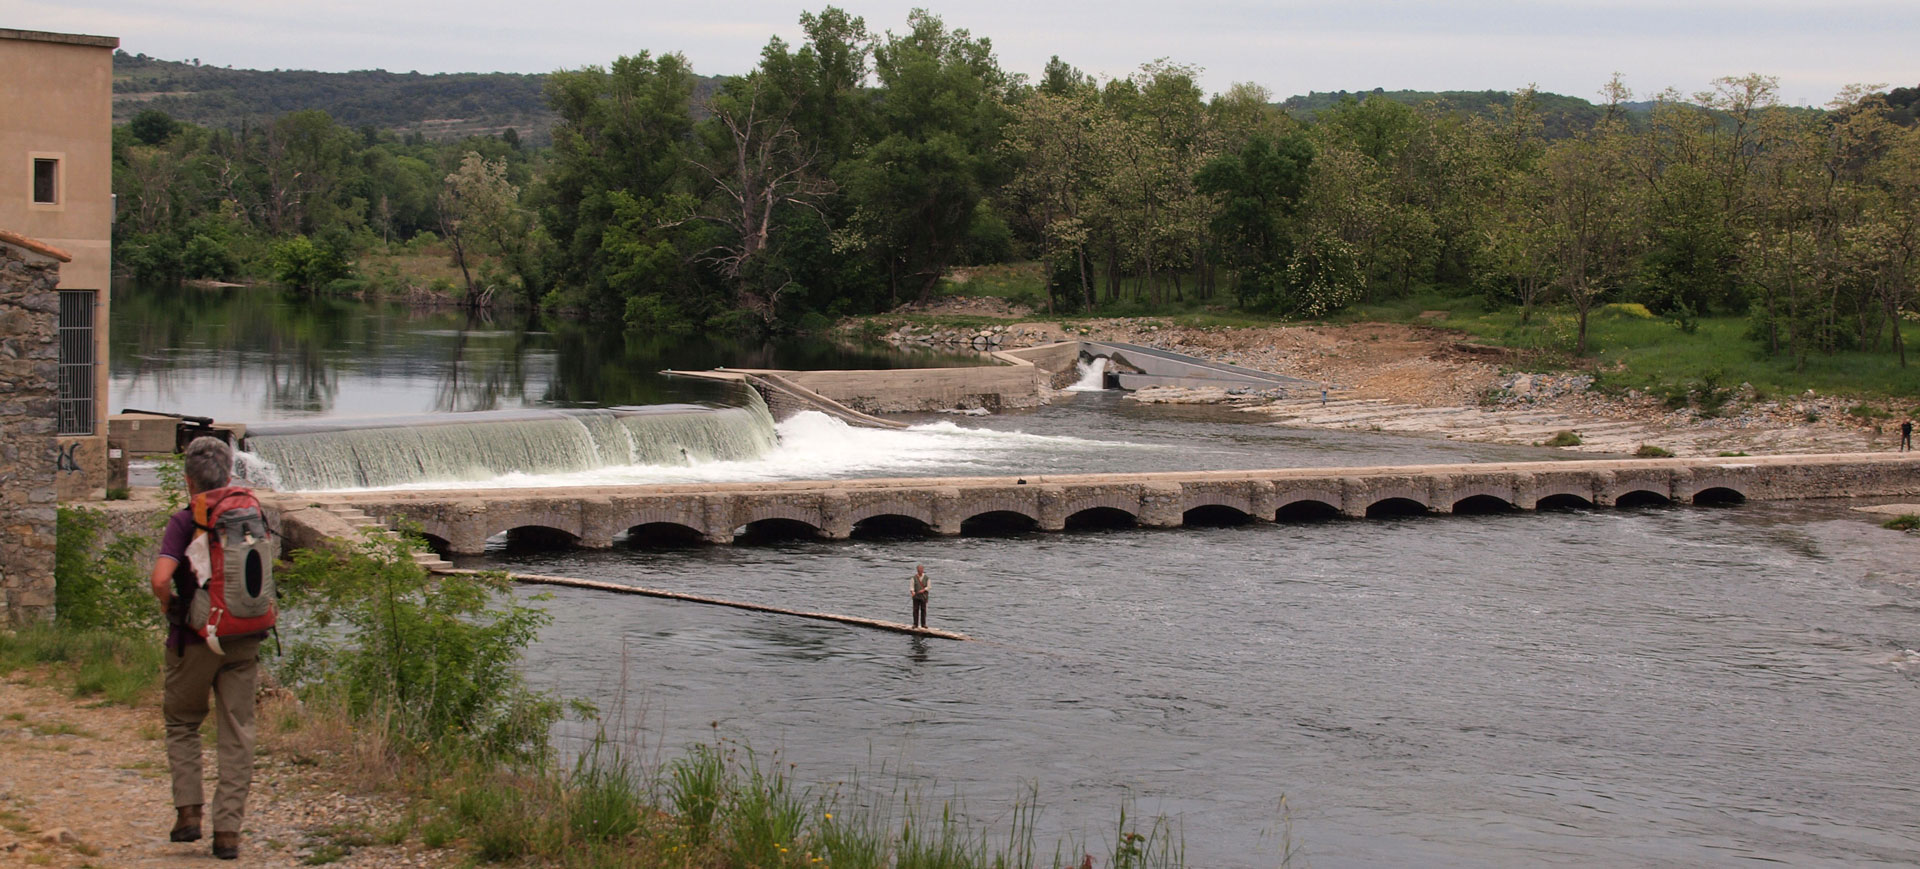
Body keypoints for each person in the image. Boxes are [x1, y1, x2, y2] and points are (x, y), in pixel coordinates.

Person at [147, 437, 264, 861]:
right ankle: (228, 833)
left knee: (182, 722)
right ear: (230, 472)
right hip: (245, 637)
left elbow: (162, 578)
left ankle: (189, 815)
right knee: (237, 733)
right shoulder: (252, 513)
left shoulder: (186, 520)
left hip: (195, 639)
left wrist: (169, 606)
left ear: (188, 480)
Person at [910, 564, 930, 629]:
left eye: (921, 569)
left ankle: (923, 624)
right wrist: (912, 592)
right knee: (915, 610)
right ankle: (915, 624)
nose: (920, 571)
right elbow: (911, 587)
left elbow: (929, 587)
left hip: (923, 597)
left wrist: (924, 590)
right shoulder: (913, 578)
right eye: (919, 570)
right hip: (916, 597)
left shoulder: (927, 578)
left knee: (923, 610)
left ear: (923, 570)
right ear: (917, 570)